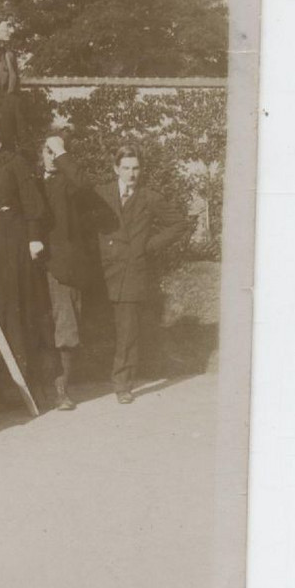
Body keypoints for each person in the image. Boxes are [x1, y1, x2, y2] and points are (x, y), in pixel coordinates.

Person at [91, 145, 193, 404]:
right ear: (116, 169)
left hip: (131, 271)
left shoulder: (150, 198)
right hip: (101, 271)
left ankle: (122, 384)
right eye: (126, 168)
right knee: (101, 326)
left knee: (127, 331)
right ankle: (93, 379)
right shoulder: (100, 193)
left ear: (141, 169)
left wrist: (148, 246)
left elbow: (180, 224)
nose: (131, 174)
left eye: (136, 168)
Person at [0, 115, 51, 404]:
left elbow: (31, 202)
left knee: (22, 306)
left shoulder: (15, 161)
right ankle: (5, 387)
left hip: (15, 236)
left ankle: (33, 382)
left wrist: (34, 237)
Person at [39, 134, 96, 411]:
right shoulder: (33, 180)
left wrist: (62, 154)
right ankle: (38, 388)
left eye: (56, 151)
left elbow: (85, 186)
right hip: (33, 266)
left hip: (63, 266)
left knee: (66, 326)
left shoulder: (69, 184)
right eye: (47, 151)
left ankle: (61, 388)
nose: (51, 156)